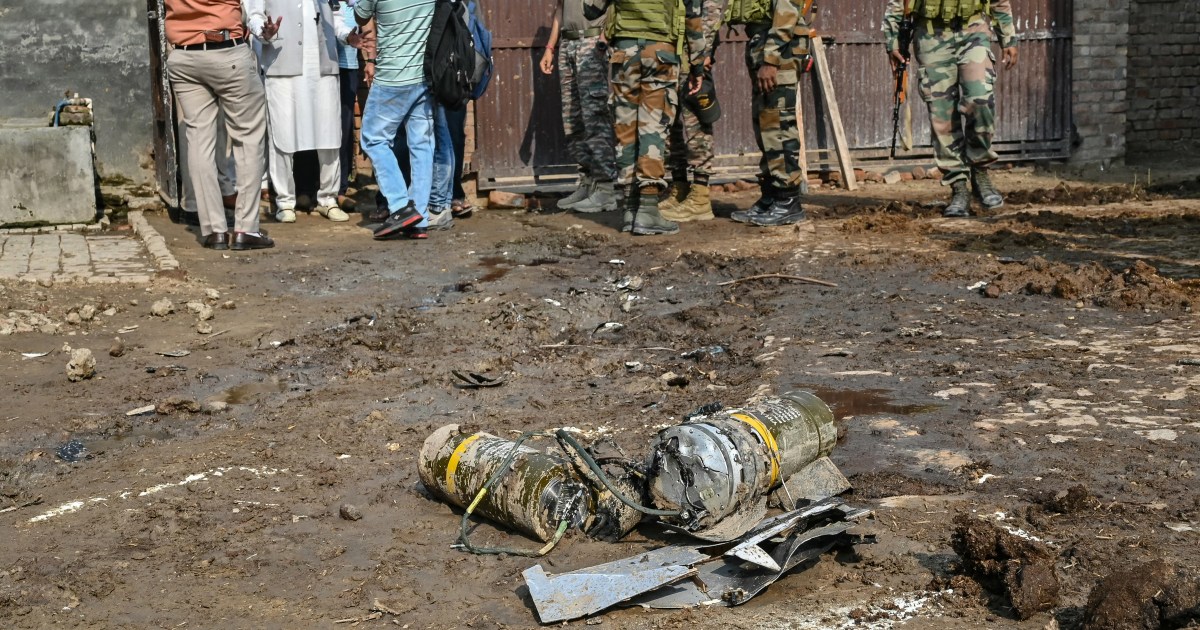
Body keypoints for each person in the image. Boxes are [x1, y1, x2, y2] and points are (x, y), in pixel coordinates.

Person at [883, 0, 1018, 217]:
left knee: (980, 100)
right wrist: (892, 41)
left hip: (972, 30)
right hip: (930, 34)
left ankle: (980, 172)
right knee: (942, 114)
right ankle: (958, 187)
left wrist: (1008, 37)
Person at [584, 0, 706, 236]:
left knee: (626, 129)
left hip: (624, 54)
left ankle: (631, 209)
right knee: (653, 127)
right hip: (661, 54)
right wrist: (698, 64)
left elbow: (590, 10)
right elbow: (692, 15)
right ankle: (648, 208)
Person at [164, 0, 276, 250]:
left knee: (198, 141)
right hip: (226, 51)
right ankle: (246, 229)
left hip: (183, 56)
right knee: (248, 138)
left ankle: (214, 230)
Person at [259, 0, 360, 224]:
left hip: (323, 65)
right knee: (282, 136)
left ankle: (328, 199)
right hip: (282, 63)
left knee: (329, 135)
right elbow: (255, 14)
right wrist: (264, 32)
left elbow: (336, 16)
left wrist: (347, 36)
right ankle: (285, 202)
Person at [354, 0, 437, 240]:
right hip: (425, 76)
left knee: (373, 139)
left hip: (392, 78)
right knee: (422, 146)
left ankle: (401, 207)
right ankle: (419, 219)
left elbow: (360, 16)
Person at [726, 0, 813, 227]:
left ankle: (787, 201)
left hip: (779, 48)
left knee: (778, 125)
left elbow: (787, 11)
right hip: (764, 42)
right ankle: (771, 197)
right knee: (765, 125)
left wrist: (771, 58)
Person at [539, 0, 618, 214]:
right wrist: (550, 47)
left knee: (595, 116)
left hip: (592, 42)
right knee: (572, 118)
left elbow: (616, 6)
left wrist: (604, 39)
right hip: (567, 44)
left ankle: (605, 188)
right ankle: (588, 182)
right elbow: (560, 8)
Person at [660, 0, 725, 223]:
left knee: (696, 123)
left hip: (692, 54)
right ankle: (680, 187)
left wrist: (702, 53)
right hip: (670, 52)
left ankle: (700, 196)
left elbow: (711, 11)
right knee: (669, 124)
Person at [336, 1, 367, 211]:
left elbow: (366, 19)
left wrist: (371, 61)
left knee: (344, 127)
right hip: (318, 65)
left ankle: (340, 187)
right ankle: (310, 187)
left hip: (347, 63)